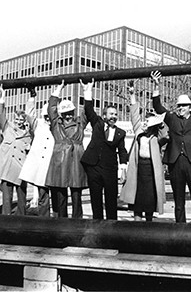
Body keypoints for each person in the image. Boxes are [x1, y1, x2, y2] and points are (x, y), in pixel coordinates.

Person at [152, 69, 191, 223]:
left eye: (184, 105)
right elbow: (158, 107)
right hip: (176, 162)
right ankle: (180, 227)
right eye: (179, 105)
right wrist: (156, 86)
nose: (180, 107)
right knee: (179, 200)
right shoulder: (171, 119)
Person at [119, 80, 169, 221]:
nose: (145, 123)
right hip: (138, 169)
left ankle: (148, 227)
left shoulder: (156, 137)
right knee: (137, 202)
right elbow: (134, 114)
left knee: (149, 203)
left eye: (148, 122)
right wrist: (132, 95)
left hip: (151, 171)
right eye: (145, 121)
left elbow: (165, 134)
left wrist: (158, 122)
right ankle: (136, 228)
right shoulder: (139, 132)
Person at [80, 79, 128, 220]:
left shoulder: (121, 133)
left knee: (111, 199)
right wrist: (87, 90)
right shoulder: (98, 124)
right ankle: (97, 226)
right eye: (111, 114)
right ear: (104, 115)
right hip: (94, 167)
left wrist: (123, 169)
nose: (113, 116)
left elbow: (122, 151)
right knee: (95, 199)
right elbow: (89, 109)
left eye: (115, 114)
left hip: (110, 169)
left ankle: (111, 227)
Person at [46, 81, 88, 218]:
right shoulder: (55, 124)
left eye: (70, 113)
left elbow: (88, 111)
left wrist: (86, 91)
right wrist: (58, 89)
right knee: (61, 196)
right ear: (61, 114)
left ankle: (77, 221)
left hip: (76, 161)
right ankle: (61, 222)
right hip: (60, 162)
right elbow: (51, 108)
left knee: (77, 196)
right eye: (65, 113)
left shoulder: (80, 123)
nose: (68, 116)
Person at [0, 85, 33, 215]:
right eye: (17, 119)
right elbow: (1, 114)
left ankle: (21, 222)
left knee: (22, 200)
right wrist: (2, 98)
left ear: (24, 121)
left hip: (21, 170)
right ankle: (5, 223)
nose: (18, 121)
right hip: (7, 170)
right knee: (6, 200)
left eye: (21, 120)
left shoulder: (28, 134)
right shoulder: (7, 128)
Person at [19, 99, 54, 217]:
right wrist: (32, 98)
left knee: (56, 196)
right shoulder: (38, 124)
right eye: (46, 116)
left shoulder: (57, 126)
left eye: (49, 116)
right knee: (43, 195)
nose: (48, 118)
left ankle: (57, 220)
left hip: (53, 166)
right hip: (41, 168)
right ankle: (44, 220)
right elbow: (29, 113)